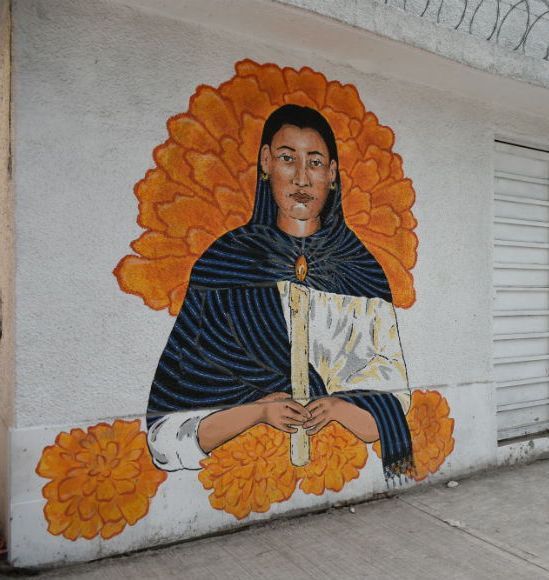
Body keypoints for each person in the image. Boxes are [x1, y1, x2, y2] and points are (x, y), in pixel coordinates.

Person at [146, 104, 414, 481]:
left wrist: (338, 408)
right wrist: (257, 412)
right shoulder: (223, 265)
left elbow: (392, 403)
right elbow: (163, 437)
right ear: (266, 162)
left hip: (342, 478)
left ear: (333, 174)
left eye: (316, 162)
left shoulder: (363, 274)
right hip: (237, 483)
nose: (301, 179)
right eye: (288, 159)